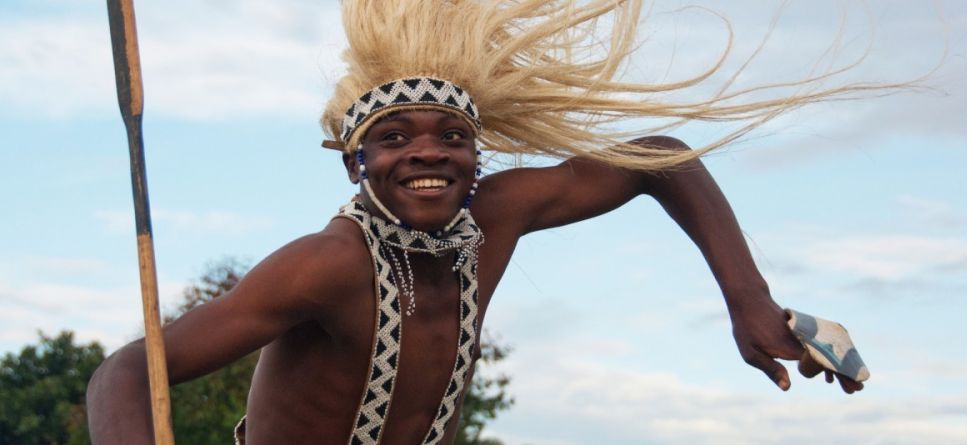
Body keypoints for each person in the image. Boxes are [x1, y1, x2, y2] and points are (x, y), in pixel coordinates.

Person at [88, 1, 878, 444]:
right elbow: (124, 373)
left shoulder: (496, 219)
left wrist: (748, 301)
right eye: (393, 139)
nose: (425, 153)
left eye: (452, 137)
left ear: (477, 156)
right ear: (354, 164)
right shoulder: (326, 266)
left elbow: (659, 156)